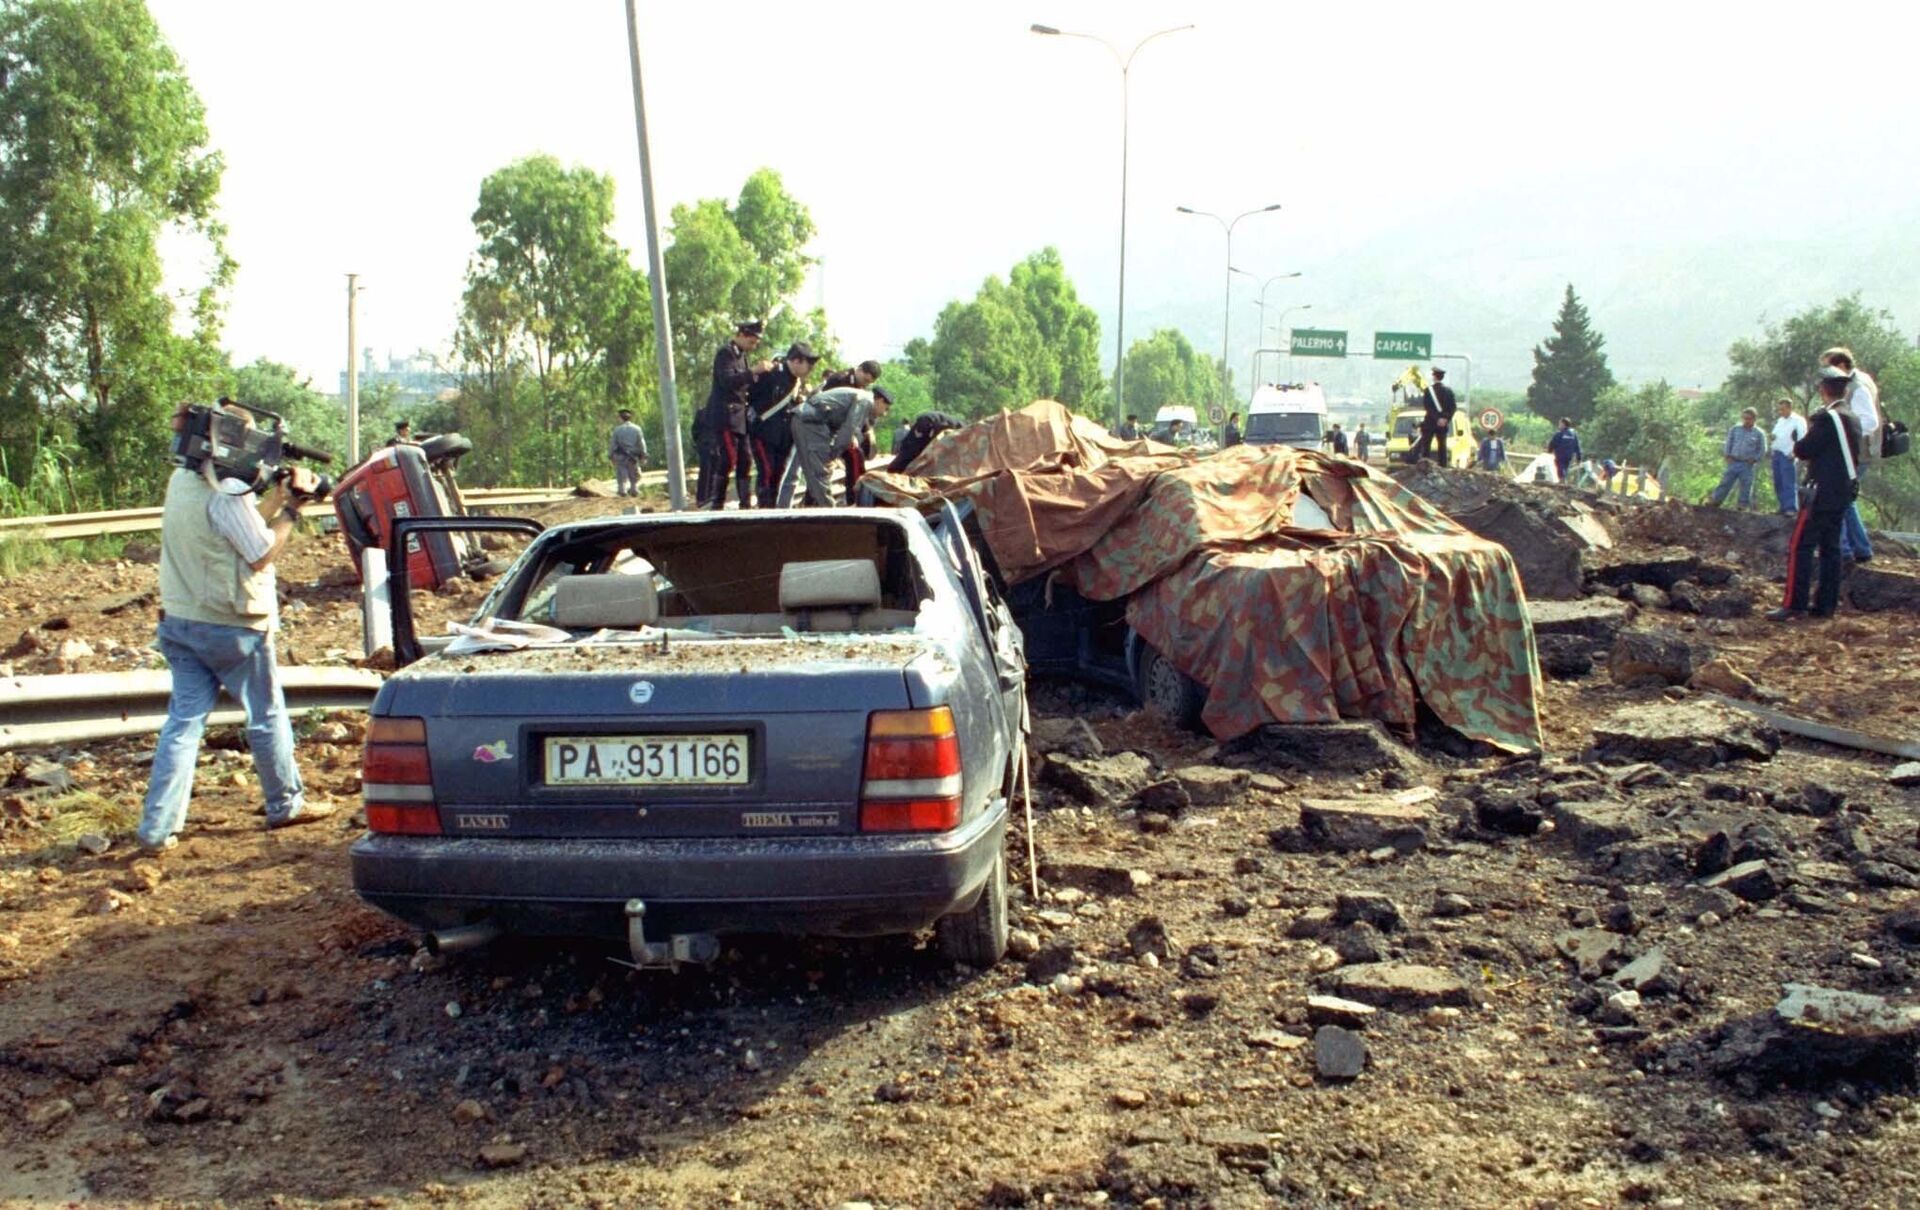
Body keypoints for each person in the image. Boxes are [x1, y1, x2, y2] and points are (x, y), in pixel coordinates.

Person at [138, 404, 335, 853]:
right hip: (232, 626)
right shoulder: (226, 489)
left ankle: (156, 828)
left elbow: (236, 525)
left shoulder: (185, 482)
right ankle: (285, 804)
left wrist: (275, 498)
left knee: (183, 725)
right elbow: (260, 551)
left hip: (182, 620)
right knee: (265, 714)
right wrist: (293, 510)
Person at [1770, 367, 1863, 621]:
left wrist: (1798, 443)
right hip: (1841, 493)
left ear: (1823, 389)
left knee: (1800, 546)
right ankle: (1825, 606)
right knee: (1831, 549)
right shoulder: (1852, 418)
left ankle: (1795, 604)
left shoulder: (1827, 419)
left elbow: (1804, 449)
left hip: (1820, 494)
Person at [699, 320, 766, 510]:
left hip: (740, 417)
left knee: (745, 458)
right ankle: (717, 502)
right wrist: (752, 371)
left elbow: (744, 385)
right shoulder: (726, 354)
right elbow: (728, 381)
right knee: (729, 457)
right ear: (743, 335)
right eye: (752, 341)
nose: (753, 346)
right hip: (726, 416)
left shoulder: (741, 356)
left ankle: (745, 503)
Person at [792, 385, 891, 507]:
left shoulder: (861, 396)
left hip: (807, 420)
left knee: (814, 473)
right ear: (880, 401)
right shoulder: (866, 400)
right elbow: (848, 430)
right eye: (886, 409)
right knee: (821, 472)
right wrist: (834, 454)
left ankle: (815, 508)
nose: (884, 414)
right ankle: (830, 513)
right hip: (812, 422)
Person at [1823, 348, 1879, 564]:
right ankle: (1859, 549)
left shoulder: (1858, 387)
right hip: (1852, 452)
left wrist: (1843, 431)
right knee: (1846, 499)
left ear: (1842, 366)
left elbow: (1870, 421)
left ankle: (1847, 549)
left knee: (1842, 497)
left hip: (1856, 453)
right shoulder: (1853, 384)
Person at [747, 342, 818, 507]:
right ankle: (764, 510)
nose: (811, 369)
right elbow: (750, 397)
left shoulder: (797, 383)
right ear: (796, 361)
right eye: (809, 363)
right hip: (763, 434)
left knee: (777, 475)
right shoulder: (771, 373)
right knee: (766, 472)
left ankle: (771, 510)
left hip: (784, 438)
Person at [820, 360, 881, 503]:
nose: (865, 384)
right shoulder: (839, 379)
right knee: (829, 464)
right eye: (865, 380)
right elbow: (828, 407)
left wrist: (865, 431)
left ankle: (856, 497)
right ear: (859, 370)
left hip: (844, 430)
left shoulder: (859, 387)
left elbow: (858, 411)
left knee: (856, 456)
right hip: (828, 428)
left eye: (868, 383)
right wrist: (849, 434)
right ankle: (852, 498)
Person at [1707, 408, 1767, 509]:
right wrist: (1727, 455)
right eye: (1744, 418)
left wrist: (1755, 459)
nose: (1745, 421)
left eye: (1748, 418)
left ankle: (1742, 506)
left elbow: (1763, 449)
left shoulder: (1759, 433)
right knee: (1725, 482)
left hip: (1747, 464)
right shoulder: (1735, 429)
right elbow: (1728, 442)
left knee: (1746, 486)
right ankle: (1715, 501)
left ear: (1754, 419)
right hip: (1733, 461)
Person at [1407, 367, 1457, 464]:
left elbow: (1428, 407)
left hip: (1430, 422)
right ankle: (1443, 465)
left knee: (1427, 446)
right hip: (1443, 424)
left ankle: (1426, 465)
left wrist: (1437, 418)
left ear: (1434, 377)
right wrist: (1446, 419)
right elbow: (1453, 407)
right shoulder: (1449, 391)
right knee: (1442, 446)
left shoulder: (1428, 391)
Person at [888, 410, 964, 473]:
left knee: (913, 450)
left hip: (929, 421)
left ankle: (895, 469)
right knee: (915, 449)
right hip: (931, 422)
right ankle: (896, 469)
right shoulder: (962, 428)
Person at [1769, 396, 1806, 515]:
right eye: (1779, 410)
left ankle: (1791, 508)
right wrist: (1772, 437)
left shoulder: (1798, 420)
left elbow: (1802, 437)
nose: (1781, 412)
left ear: (1790, 408)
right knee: (1778, 481)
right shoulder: (1781, 420)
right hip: (1777, 452)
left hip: (1787, 454)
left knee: (1788, 481)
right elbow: (1776, 434)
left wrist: (1795, 452)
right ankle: (1782, 506)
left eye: (1783, 409)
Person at [608, 408, 647, 498]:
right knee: (634, 474)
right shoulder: (637, 429)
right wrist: (644, 455)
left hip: (620, 456)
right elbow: (641, 443)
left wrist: (611, 456)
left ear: (621, 418)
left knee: (621, 474)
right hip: (633, 457)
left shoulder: (617, 430)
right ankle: (634, 489)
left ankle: (622, 490)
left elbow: (613, 444)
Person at [1547, 417, 1582, 481]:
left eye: (1559, 424)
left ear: (1563, 424)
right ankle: (1563, 480)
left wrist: (1549, 451)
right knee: (1565, 468)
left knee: (1560, 468)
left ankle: (1562, 480)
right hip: (1569, 456)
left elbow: (1552, 443)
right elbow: (1577, 446)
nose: (1559, 426)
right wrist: (1579, 457)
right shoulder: (1573, 434)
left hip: (1560, 455)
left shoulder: (1559, 434)